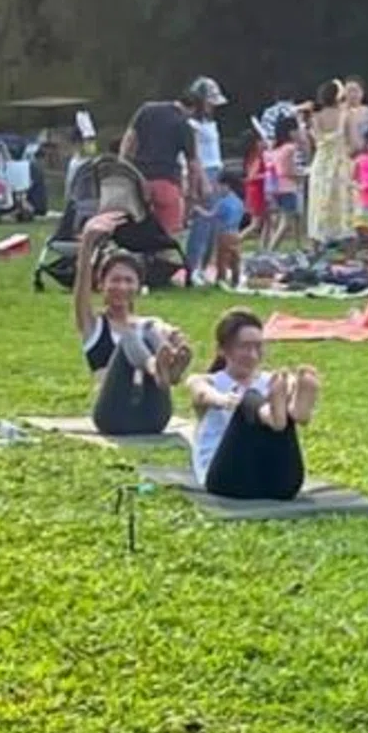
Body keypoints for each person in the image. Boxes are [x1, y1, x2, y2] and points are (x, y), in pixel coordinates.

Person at [72, 211, 192, 434]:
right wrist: (88, 241)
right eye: (115, 280)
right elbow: (81, 284)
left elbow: (160, 330)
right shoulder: (94, 325)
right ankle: (154, 367)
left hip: (154, 418)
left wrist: (173, 338)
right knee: (130, 335)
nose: (122, 287)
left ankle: (170, 371)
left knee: (146, 329)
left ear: (138, 286)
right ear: (101, 285)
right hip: (113, 415)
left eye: (129, 281)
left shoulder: (149, 325)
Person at [185, 309, 320, 501]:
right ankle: (273, 414)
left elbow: (286, 383)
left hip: (281, 483)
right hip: (227, 480)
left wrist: (292, 388)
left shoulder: (274, 382)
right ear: (222, 350)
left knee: (279, 398)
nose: (253, 354)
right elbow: (201, 392)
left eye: (258, 347)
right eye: (245, 347)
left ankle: (295, 411)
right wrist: (223, 400)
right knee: (250, 398)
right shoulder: (208, 381)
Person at [120, 79, 221, 236]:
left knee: (137, 233)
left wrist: (124, 170)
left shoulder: (146, 109)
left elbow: (128, 141)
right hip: (166, 183)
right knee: (167, 237)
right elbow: (193, 164)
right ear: (199, 105)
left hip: (138, 182)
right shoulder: (184, 126)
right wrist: (192, 196)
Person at [183, 77, 231, 283]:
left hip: (216, 170)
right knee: (202, 222)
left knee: (214, 223)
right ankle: (192, 266)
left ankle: (204, 265)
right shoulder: (192, 124)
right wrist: (197, 181)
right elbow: (194, 154)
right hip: (203, 172)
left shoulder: (210, 123)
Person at [304, 79, 355, 248]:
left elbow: (311, 142)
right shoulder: (345, 115)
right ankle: (349, 249)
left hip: (320, 165)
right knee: (344, 204)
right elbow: (354, 142)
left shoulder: (315, 117)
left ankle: (315, 245)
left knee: (318, 203)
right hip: (340, 164)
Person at [262, 115, 302, 252]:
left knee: (282, 220)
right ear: (290, 132)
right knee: (286, 223)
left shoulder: (274, 149)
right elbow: (286, 170)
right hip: (288, 187)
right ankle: (271, 250)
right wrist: (299, 175)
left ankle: (274, 248)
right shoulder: (290, 148)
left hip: (275, 188)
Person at [210, 173, 247, 287]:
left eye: (219, 186)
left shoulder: (223, 202)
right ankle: (236, 279)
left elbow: (211, 215)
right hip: (236, 233)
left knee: (222, 258)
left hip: (224, 234)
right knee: (235, 258)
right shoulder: (239, 202)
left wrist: (198, 210)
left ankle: (221, 279)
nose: (217, 189)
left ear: (226, 186)